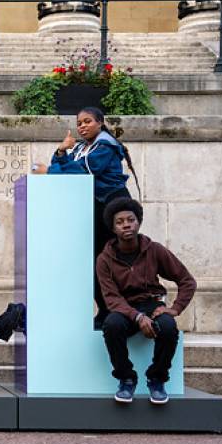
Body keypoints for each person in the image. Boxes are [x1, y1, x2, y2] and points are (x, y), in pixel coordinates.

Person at [32, 107, 139, 328]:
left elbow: (83, 172)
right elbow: (67, 166)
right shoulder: (82, 147)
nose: (82, 126)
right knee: (95, 262)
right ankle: (105, 309)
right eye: (79, 122)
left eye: (87, 121)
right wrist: (61, 151)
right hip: (93, 207)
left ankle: (121, 310)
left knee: (109, 260)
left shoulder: (105, 145)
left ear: (100, 123)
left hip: (111, 206)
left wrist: (49, 172)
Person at [97, 198, 196, 404]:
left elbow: (187, 281)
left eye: (131, 220)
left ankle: (157, 379)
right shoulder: (104, 259)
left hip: (152, 304)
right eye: (120, 222)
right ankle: (126, 378)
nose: (126, 224)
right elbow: (112, 298)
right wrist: (137, 317)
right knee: (111, 325)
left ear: (138, 222)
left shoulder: (155, 250)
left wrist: (175, 309)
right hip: (124, 308)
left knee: (168, 327)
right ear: (113, 228)